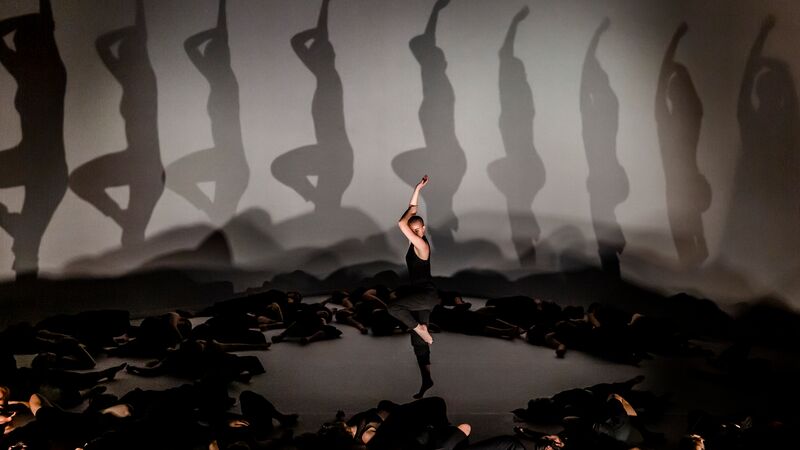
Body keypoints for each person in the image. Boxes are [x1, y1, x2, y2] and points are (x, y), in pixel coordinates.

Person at [387, 175, 440, 399]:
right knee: (418, 343)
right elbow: (409, 212)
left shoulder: (422, 245)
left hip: (425, 296)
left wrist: (409, 219)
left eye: (417, 229)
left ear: (423, 228)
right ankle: (426, 378)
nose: (415, 232)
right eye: (413, 229)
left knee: (393, 308)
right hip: (421, 296)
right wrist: (417, 189)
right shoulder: (415, 240)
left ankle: (420, 329)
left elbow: (401, 223)